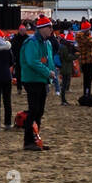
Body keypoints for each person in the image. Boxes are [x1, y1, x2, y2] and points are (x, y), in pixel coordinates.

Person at [19, 18, 56, 151]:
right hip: (32, 79)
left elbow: (48, 61)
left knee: (39, 111)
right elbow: (32, 61)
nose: (51, 30)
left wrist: (50, 75)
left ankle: (36, 140)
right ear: (41, 28)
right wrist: (48, 72)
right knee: (34, 110)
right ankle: (28, 141)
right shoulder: (32, 42)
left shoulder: (48, 43)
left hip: (41, 79)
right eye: (49, 27)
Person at [76, 21, 92, 96]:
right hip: (88, 60)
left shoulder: (80, 37)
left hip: (84, 60)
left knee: (86, 78)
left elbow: (90, 42)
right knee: (89, 78)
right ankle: (87, 93)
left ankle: (86, 92)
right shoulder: (85, 37)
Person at [57, 31, 76, 105]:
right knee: (64, 84)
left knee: (65, 83)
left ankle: (63, 100)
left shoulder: (64, 47)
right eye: (71, 42)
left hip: (66, 67)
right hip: (65, 68)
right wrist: (75, 56)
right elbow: (67, 58)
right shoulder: (65, 48)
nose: (72, 44)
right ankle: (63, 100)